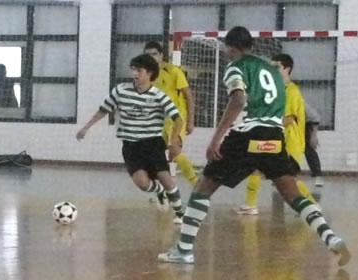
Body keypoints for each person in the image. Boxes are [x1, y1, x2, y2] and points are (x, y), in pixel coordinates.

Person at [157, 26, 350, 266]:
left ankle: (184, 250)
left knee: (202, 189)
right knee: (293, 194)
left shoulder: (237, 67)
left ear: (230, 47)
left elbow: (238, 99)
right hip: (274, 137)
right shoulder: (273, 71)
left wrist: (217, 137)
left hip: (247, 135)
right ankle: (331, 238)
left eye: (227, 49)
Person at [77, 54, 185, 224]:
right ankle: (159, 191)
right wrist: (86, 127)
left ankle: (180, 213)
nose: (135, 74)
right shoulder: (121, 90)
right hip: (131, 146)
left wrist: (173, 142)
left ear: (149, 73)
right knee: (142, 183)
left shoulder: (159, 96)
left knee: (166, 178)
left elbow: (178, 119)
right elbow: (104, 109)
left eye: (139, 70)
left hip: (153, 144)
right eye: (133, 69)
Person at [236, 54, 317, 215]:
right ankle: (250, 205)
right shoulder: (275, 90)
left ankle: (312, 206)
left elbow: (289, 118)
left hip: (290, 144)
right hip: (274, 141)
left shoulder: (292, 91)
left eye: (277, 67)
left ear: (287, 69)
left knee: (289, 180)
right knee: (255, 168)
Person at [144, 42, 198, 189]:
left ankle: (197, 186)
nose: (151, 57)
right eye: (148, 54)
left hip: (175, 118)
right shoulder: (145, 75)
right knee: (156, 156)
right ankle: (165, 190)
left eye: (154, 54)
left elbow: (189, 96)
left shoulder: (173, 71)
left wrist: (191, 121)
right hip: (156, 120)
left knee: (174, 149)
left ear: (161, 55)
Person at [304, 102, 324, 187]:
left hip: (305, 125)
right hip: (288, 126)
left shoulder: (299, 101)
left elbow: (315, 118)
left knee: (309, 150)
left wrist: (314, 136)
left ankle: (317, 176)